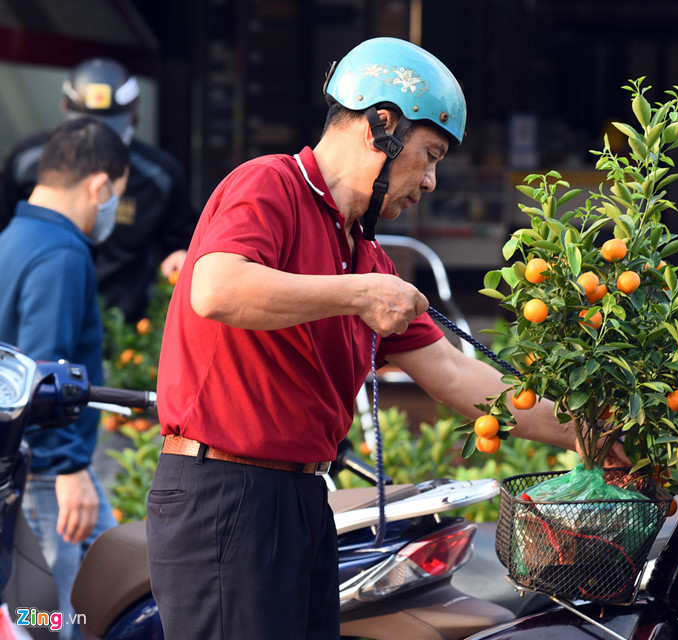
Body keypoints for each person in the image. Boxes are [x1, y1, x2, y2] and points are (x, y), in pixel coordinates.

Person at [148, 37, 619, 639]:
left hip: (300, 497)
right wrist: (358, 295)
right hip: (224, 494)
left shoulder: (367, 257)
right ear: (382, 125)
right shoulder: (270, 185)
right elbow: (216, 288)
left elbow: (457, 375)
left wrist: (590, 434)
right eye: (429, 155)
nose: (429, 182)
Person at [0, 117, 130, 640]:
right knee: (57, 614)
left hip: (29, 462)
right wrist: (67, 469)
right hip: (48, 466)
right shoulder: (61, 252)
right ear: (99, 186)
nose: (113, 211)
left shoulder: (15, 237)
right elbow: (40, 377)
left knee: (99, 585)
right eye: (116, 196)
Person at [0, 57, 197, 322]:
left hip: (126, 330)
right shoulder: (28, 159)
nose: (97, 142)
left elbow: (184, 237)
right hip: (41, 310)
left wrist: (181, 254)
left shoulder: (158, 174)